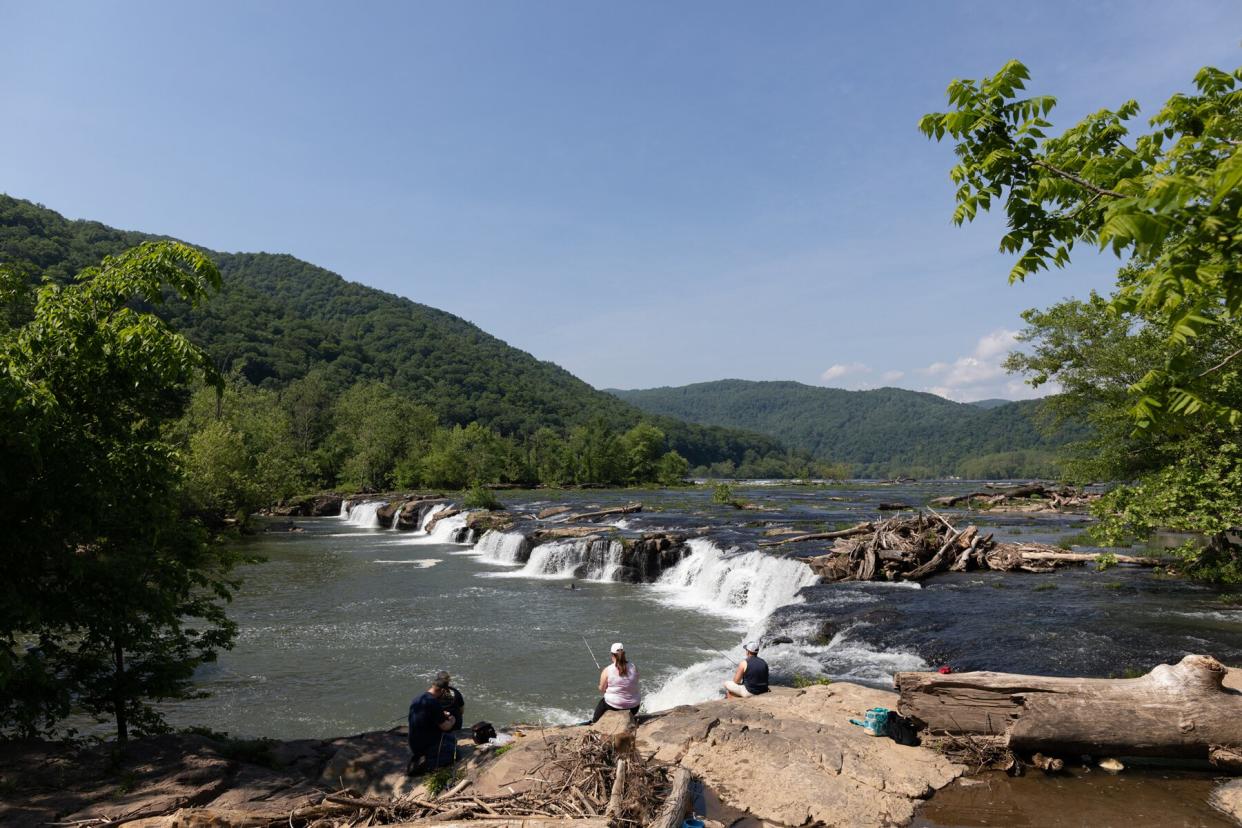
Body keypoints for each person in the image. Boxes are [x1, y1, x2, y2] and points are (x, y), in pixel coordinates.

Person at [407, 672, 458, 775]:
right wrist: (453, 720)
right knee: (455, 753)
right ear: (442, 690)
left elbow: (427, 714)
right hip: (426, 744)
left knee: (452, 739)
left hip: (413, 742)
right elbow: (446, 727)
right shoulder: (433, 703)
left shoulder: (418, 698)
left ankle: (421, 757)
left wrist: (441, 713)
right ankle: (425, 765)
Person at [592, 642, 640, 723]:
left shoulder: (607, 670)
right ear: (624, 654)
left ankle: (594, 722)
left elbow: (602, 689)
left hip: (614, 706)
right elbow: (636, 680)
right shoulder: (633, 666)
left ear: (612, 655)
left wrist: (601, 686)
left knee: (602, 704)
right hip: (634, 708)